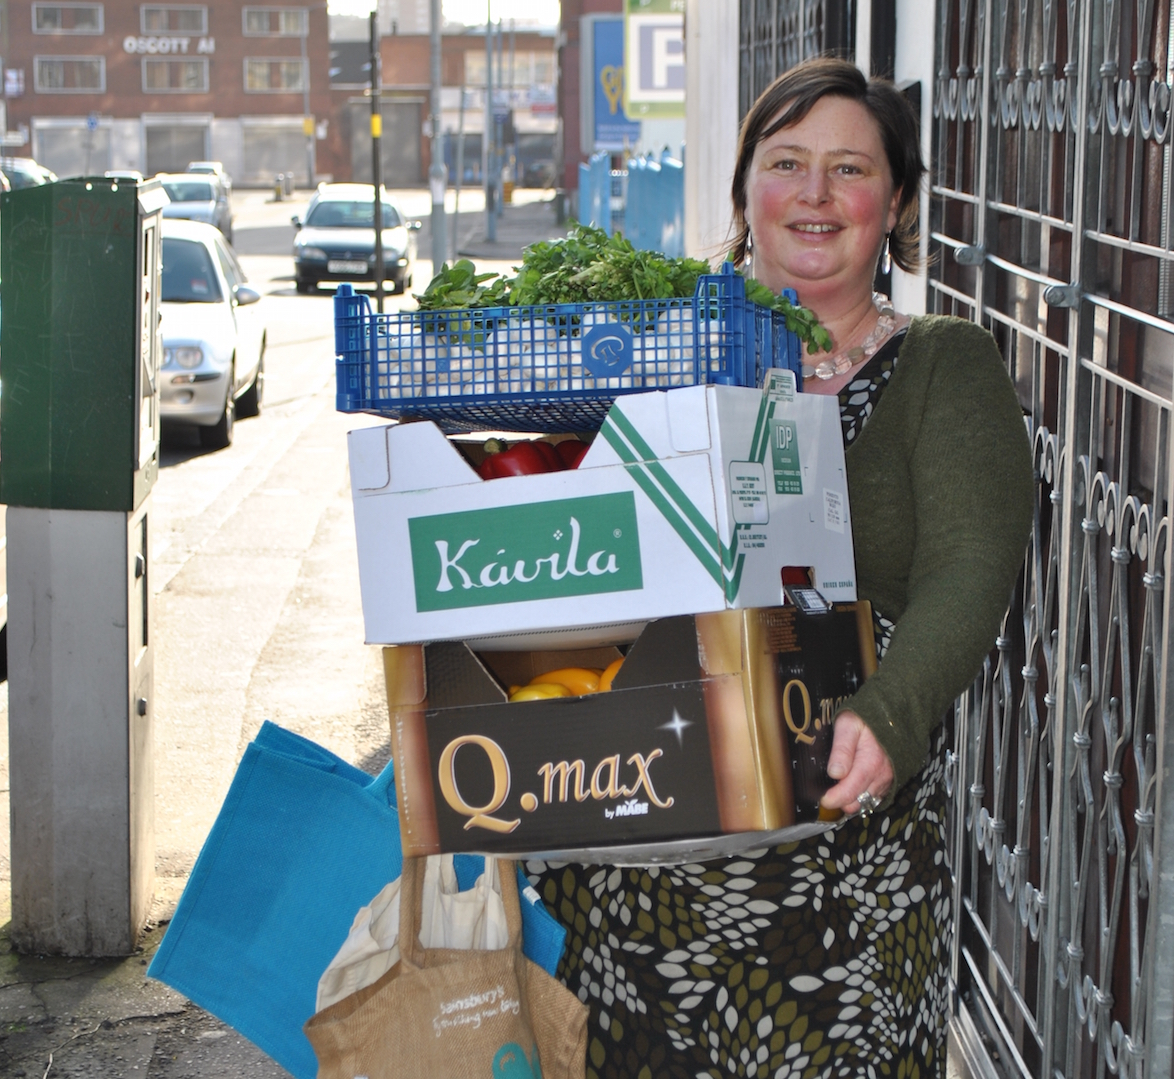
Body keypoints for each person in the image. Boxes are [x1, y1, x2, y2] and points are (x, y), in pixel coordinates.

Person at [527, 57, 1034, 1079]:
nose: (813, 193)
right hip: (630, 848)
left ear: (891, 204)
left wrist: (891, 716)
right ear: (743, 189)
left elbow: (972, 562)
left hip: (836, 856)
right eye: (786, 161)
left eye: (848, 169)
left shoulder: (943, 363)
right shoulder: (645, 343)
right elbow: (544, 535)